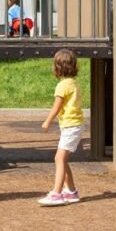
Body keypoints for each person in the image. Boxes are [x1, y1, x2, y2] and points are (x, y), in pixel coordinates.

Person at [38, 49, 84, 206]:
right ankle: (71, 191)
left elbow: (56, 106)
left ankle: (57, 194)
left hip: (71, 126)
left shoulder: (62, 86)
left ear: (57, 67)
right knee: (63, 159)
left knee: (59, 158)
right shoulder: (74, 84)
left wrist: (47, 121)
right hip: (73, 125)